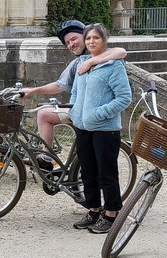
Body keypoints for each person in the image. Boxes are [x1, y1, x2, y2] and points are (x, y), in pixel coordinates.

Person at [20, 20, 126, 170]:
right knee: (43, 113)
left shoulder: (104, 56)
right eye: (67, 43)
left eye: (74, 39)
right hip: (81, 111)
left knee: (105, 177)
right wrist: (33, 90)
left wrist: (93, 61)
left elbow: (121, 51)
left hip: (98, 116)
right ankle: (48, 159)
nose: (71, 44)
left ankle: (46, 159)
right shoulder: (78, 62)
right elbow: (59, 85)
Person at [69, 23, 131, 233]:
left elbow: (124, 98)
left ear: (104, 40)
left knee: (107, 173)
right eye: (88, 39)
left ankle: (111, 213)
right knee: (88, 172)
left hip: (105, 129)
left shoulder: (114, 65)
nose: (91, 42)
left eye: (96, 38)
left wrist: (98, 114)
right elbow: (75, 93)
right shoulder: (82, 63)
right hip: (83, 127)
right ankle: (94, 210)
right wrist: (76, 112)